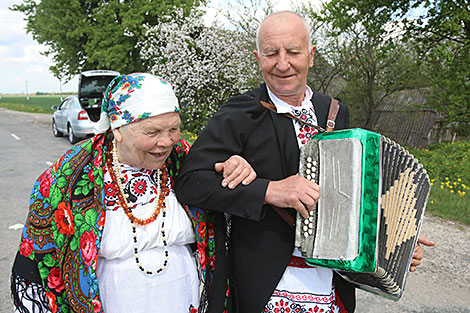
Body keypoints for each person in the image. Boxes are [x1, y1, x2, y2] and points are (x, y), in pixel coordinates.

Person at [174, 11, 435, 313]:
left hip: (331, 285)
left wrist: (395, 239)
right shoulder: (240, 112)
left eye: (293, 52)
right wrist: (270, 190)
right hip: (268, 285)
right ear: (258, 58)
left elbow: (352, 196)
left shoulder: (334, 112)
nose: (282, 64)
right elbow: (191, 182)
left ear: (310, 56)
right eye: (271, 53)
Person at [11, 73, 257, 313]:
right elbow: (40, 252)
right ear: (118, 129)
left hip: (182, 297)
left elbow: (223, 205)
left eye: (174, 129)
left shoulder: (186, 160)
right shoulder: (71, 173)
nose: (167, 142)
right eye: (153, 132)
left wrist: (235, 166)